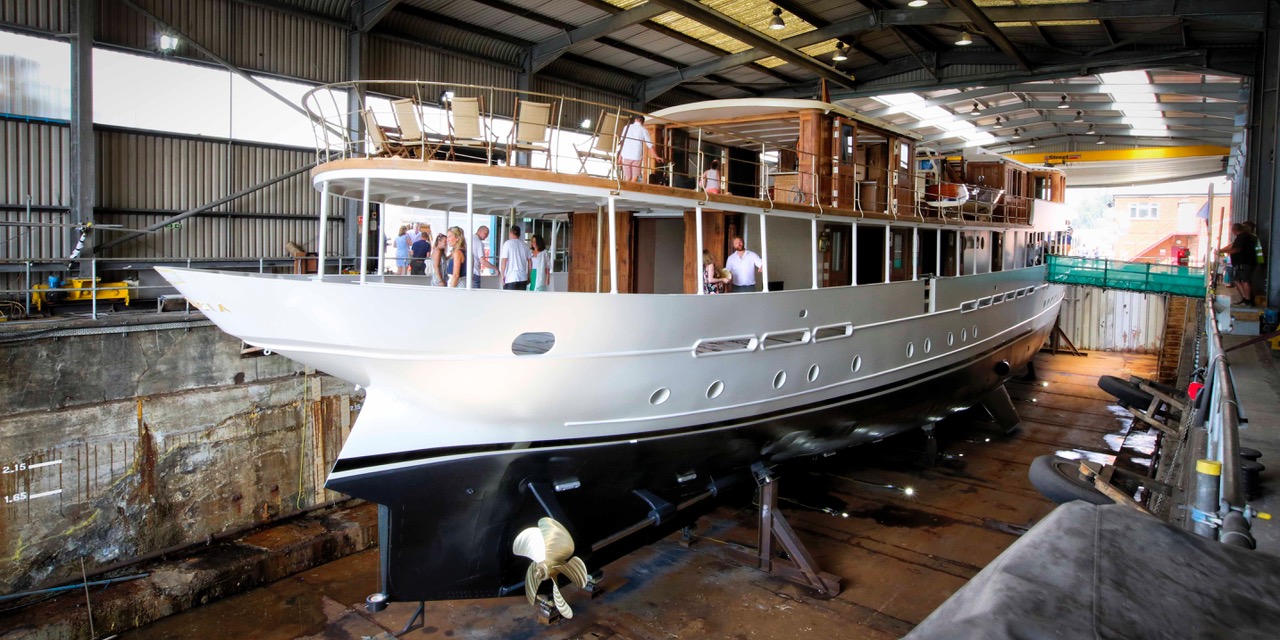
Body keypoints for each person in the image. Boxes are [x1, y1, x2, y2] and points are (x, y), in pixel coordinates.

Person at [618, 115, 660, 182]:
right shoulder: (644, 130)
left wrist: (620, 155)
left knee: (627, 177)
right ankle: (631, 188)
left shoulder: (626, 127)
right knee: (634, 177)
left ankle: (625, 188)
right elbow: (650, 145)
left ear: (635, 120)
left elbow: (621, 142)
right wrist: (656, 157)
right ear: (643, 122)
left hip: (626, 155)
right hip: (636, 156)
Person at [1223, 222, 1257, 305]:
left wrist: (1224, 251)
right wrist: (1221, 250)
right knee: (1237, 280)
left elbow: (1236, 249)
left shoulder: (1246, 237)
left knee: (1245, 281)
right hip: (1241, 263)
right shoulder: (1242, 237)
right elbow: (1232, 245)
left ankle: (1248, 300)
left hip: (1245, 263)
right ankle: (1245, 298)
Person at [500, 225, 532, 290]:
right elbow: (530, 261)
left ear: (510, 233)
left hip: (510, 278)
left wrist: (502, 275)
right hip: (523, 278)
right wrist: (528, 276)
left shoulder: (507, 244)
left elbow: (504, 260)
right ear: (519, 234)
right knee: (521, 296)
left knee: (509, 296)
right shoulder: (525, 245)